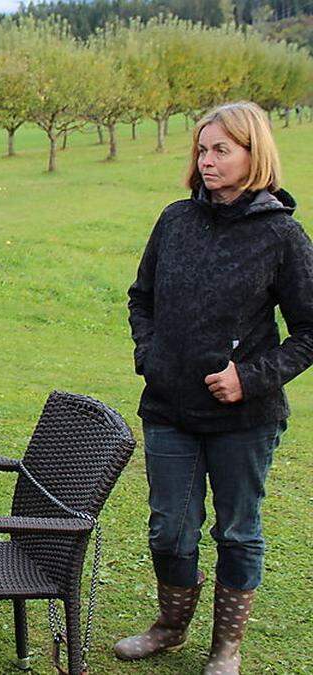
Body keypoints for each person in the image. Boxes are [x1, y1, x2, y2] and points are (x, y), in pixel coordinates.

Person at [118, 101, 313, 675]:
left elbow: (308, 331)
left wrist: (249, 379)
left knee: (237, 530)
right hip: (169, 409)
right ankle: (169, 627)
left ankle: (225, 647)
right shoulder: (175, 220)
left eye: (221, 150)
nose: (207, 161)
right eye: (202, 150)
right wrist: (149, 356)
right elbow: (141, 299)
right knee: (170, 529)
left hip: (244, 421)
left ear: (254, 155)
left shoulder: (282, 235)